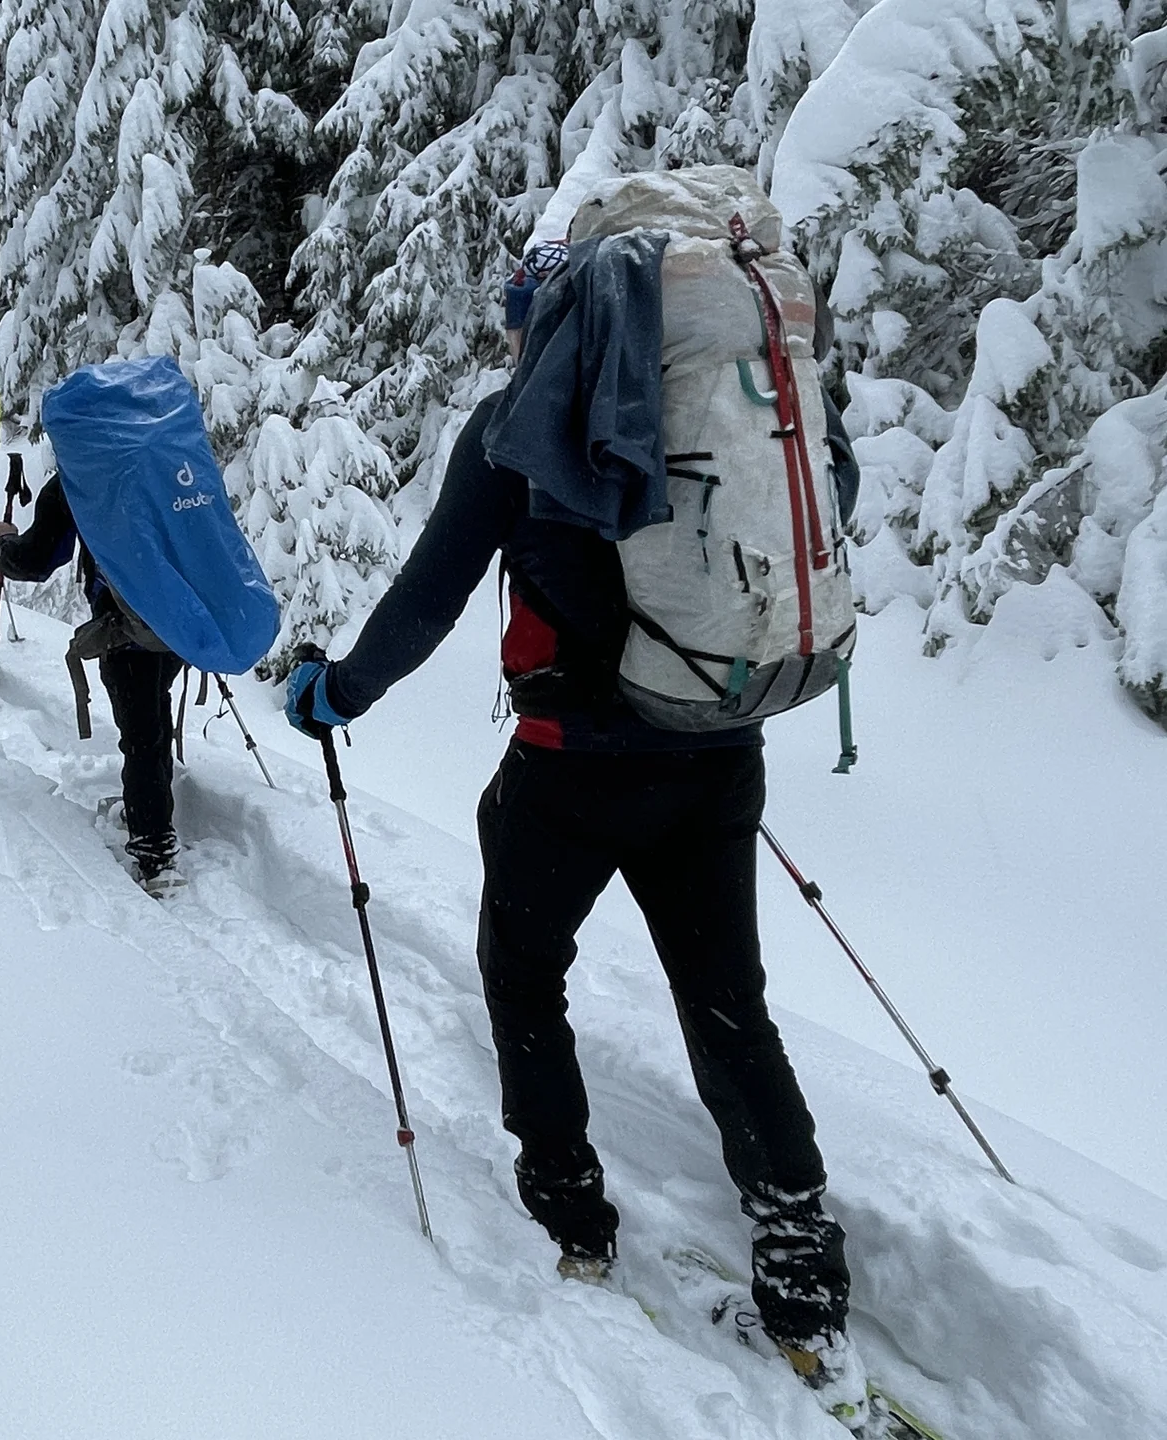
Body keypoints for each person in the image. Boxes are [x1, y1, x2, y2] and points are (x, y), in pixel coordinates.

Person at [283, 237, 871, 1424]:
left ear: (541, 324)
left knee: (522, 974)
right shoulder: (743, 407)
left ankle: (570, 1211)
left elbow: (430, 595)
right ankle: (803, 1280)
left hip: (566, 776)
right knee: (727, 1004)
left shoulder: (518, 423)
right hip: (717, 761)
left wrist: (335, 692)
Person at [0, 480, 183, 888]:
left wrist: (4, 546)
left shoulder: (80, 474)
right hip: (182, 623)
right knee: (153, 709)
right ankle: (146, 812)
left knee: (141, 734)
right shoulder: (169, 457)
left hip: (123, 628)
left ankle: (155, 852)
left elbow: (38, 559)